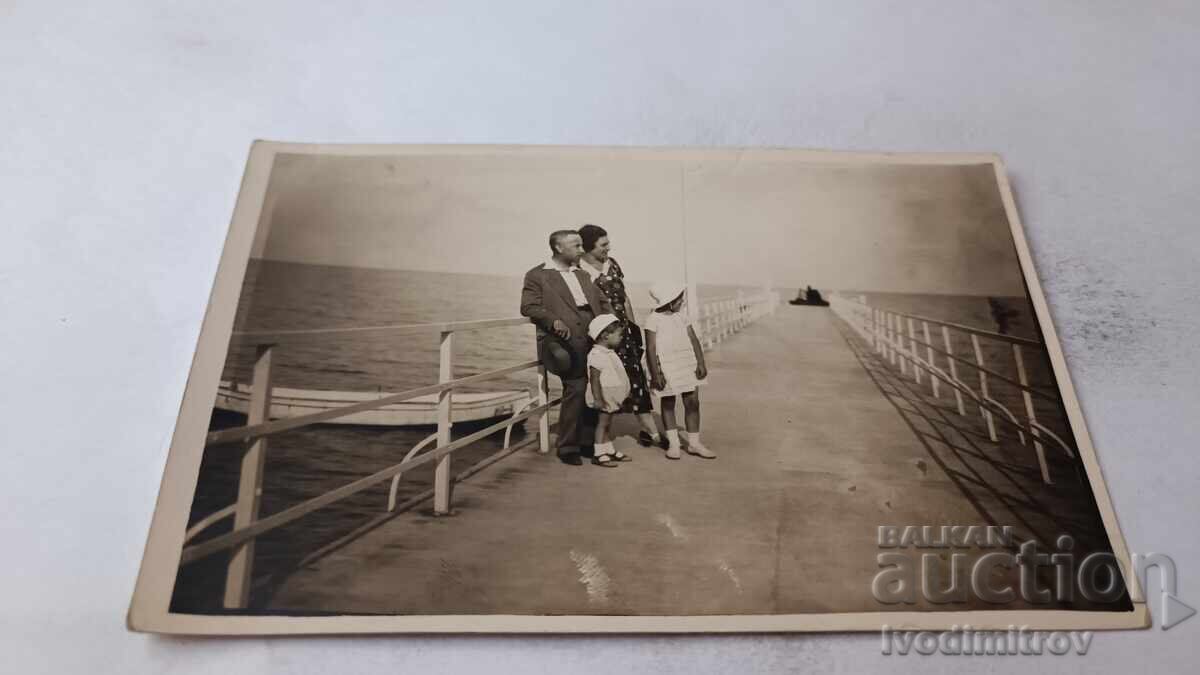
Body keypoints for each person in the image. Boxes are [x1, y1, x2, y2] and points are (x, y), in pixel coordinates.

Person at [520, 230, 613, 465]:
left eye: (581, 245)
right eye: (576, 246)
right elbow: (529, 306)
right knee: (576, 388)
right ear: (559, 248)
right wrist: (552, 320)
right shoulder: (538, 275)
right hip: (565, 340)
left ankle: (589, 442)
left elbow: (602, 302)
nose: (582, 250)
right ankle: (568, 446)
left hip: (593, 336)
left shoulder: (582, 274)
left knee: (595, 386)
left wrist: (611, 325)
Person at [577, 223, 666, 450]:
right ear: (588, 248)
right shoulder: (579, 269)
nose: (608, 248)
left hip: (622, 332)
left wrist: (632, 327)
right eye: (603, 245)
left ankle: (651, 431)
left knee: (636, 379)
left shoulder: (613, 264)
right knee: (603, 382)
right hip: (600, 336)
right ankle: (598, 440)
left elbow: (624, 298)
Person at [644, 281, 715, 460]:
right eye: (679, 299)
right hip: (666, 365)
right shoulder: (653, 319)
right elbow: (651, 348)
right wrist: (655, 374)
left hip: (686, 362)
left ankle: (694, 443)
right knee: (668, 402)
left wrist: (701, 363)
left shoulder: (682, 316)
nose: (682, 302)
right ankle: (674, 444)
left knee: (692, 402)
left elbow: (693, 339)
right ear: (669, 301)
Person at [586, 314, 634, 467]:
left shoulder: (609, 353)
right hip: (604, 395)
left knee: (607, 423)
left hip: (612, 395)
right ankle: (598, 453)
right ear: (605, 336)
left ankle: (609, 450)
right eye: (619, 335)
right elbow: (594, 379)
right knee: (602, 423)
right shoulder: (596, 355)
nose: (621, 338)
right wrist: (598, 398)